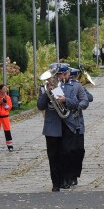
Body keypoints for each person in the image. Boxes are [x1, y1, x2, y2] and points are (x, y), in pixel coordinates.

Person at [37, 63, 86, 192]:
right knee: (53, 156)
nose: (58, 77)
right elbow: (40, 106)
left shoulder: (71, 87)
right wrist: (46, 92)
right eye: (56, 75)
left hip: (68, 124)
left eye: (59, 74)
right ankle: (56, 183)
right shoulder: (45, 88)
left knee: (67, 153)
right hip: (52, 126)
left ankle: (67, 178)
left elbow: (77, 103)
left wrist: (65, 100)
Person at [66, 68, 94, 186]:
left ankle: (75, 174)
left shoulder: (78, 86)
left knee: (79, 150)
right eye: (71, 77)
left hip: (78, 123)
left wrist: (81, 89)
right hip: (66, 122)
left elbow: (89, 98)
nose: (72, 79)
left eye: (74, 77)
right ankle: (68, 175)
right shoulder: (60, 87)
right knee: (68, 151)